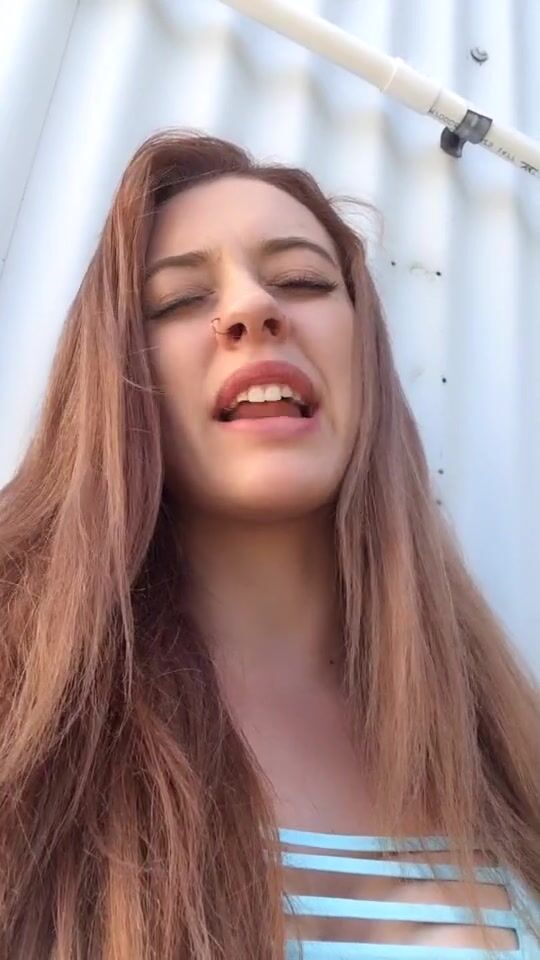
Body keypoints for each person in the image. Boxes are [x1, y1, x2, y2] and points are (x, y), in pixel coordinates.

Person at [0, 129, 538, 960]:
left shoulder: (502, 737)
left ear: (366, 353)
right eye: (181, 299)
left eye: (302, 280)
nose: (252, 309)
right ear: (118, 376)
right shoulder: (22, 706)